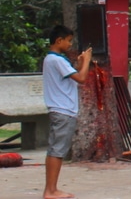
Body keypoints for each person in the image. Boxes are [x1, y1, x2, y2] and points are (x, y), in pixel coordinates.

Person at [42, 25, 92, 199]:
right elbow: (81, 78)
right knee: (57, 150)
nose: (70, 44)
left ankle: (51, 188)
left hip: (61, 109)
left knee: (56, 149)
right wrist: (86, 61)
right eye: (69, 41)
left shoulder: (53, 59)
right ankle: (50, 190)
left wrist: (78, 64)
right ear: (59, 40)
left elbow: (73, 75)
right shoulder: (57, 60)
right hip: (63, 110)